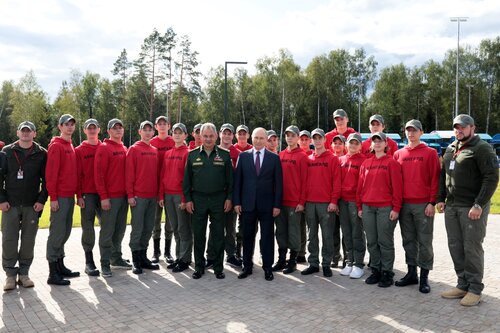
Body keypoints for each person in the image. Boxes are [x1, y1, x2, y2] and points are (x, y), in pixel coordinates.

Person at [437, 114, 499, 307]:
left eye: (463, 127)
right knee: (455, 246)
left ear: (473, 128)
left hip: (472, 208)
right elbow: (443, 175)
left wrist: (479, 204)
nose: (459, 130)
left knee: (471, 247)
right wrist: (440, 198)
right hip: (452, 207)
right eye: (456, 127)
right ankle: (462, 284)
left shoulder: (482, 149)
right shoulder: (451, 148)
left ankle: (475, 288)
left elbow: (491, 178)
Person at [393, 119, 441, 293]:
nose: (411, 134)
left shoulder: (430, 153)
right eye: (408, 130)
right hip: (405, 204)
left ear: (421, 132)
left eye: (414, 130)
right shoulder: (398, 154)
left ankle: (424, 277)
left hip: (423, 205)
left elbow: (435, 179)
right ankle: (411, 273)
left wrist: (431, 202)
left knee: (425, 241)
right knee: (408, 240)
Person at [1, 121, 47, 290]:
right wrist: (2, 199)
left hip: (31, 205)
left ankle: (24, 274)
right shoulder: (6, 152)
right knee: (9, 240)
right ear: (18, 132)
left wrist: (41, 201)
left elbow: (47, 180)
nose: (26, 133)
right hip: (10, 205)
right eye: (23, 130)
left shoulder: (42, 154)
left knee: (28, 240)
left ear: (34, 134)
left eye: (30, 131)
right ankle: (10, 276)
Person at [183, 123, 233, 280]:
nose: (208, 139)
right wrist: (189, 200)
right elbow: (186, 182)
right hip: (198, 200)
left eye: (211, 136)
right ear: (200, 137)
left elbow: (231, 181)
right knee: (198, 234)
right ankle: (199, 267)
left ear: (216, 136)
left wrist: (229, 198)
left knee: (218, 234)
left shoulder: (225, 155)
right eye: (205, 136)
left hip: (219, 199)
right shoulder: (192, 155)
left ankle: (218, 267)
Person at [234, 127, 283, 281]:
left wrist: (277, 205)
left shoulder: (274, 158)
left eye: (262, 138)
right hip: (247, 205)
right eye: (256, 138)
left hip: (267, 206)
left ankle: (268, 268)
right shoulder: (243, 157)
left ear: (266, 140)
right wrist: (237, 202)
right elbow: (238, 182)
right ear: (251, 138)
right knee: (247, 236)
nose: (258, 141)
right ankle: (247, 266)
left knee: (267, 237)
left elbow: (279, 184)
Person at [357, 132, 403, 288]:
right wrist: (359, 206)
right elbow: (360, 188)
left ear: (385, 144)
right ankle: (375, 269)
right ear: (371, 144)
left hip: (385, 207)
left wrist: (396, 208)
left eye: (380, 141)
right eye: (374, 141)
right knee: (372, 241)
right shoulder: (365, 163)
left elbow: (398, 188)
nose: (376, 143)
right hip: (368, 207)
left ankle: (387, 272)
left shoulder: (392, 163)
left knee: (385, 241)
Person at [301, 128, 341, 278]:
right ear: (312, 141)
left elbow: (336, 182)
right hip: (310, 203)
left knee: (327, 236)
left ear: (325, 140)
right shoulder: (308, 159)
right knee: (312, 235)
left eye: (320, 138)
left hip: (326, 204)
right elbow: (304, 182)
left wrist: (333, 201)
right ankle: (313, 263)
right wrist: (304, 201)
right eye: (314, 138)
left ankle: (326, 264)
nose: (317, 141)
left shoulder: (332, 159)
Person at [95, 118, 131, 278]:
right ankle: (104, 263)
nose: (118, 130)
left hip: (123, 197)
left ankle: (116, 258)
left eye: (120, 127)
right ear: (108, 131)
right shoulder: (104, 148)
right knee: (107, 231)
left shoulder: (124, 148)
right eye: (114, 128)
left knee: (120, 230)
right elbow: (99, 174)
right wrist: (104, 197)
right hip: (110, 197)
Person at [45, 114, 79, 286]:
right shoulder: (56, 146)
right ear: (60, 127)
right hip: (60, 197)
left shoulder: (70, 145)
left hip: (69, 196)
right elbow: (51, 174)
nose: (70, 127)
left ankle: (60, 265)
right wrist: (53, 198)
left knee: (65, 232)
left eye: (72, 124)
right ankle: (52, 273)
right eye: (66, 124)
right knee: (57, 233)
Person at [272, 125, 307, 274]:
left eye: (293, 135)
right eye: (288, 135)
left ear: (298, 137)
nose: (290, 138)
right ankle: (281, 259)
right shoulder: (281, 155)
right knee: (280, 232)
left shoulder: (302, 156)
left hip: (294, 203)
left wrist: (301, 202)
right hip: (281, 201)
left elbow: (305, 181)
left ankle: (292, 261)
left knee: (293, 232)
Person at [206, 123, 242, 268]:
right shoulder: (213, 151)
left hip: (231, 195)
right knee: (215, 226)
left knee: (230, 227)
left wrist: (235, 198)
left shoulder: (238, 154)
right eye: (224, 133)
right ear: (219, 134)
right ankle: (211, 256)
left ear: (233, 136)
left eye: (229, 133)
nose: (227, 136)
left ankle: (231, 254)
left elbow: (239, 178)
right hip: (215, 196)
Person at [127, 121, 160, 274]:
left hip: (152, 197)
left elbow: (158, 175)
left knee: (148, 228)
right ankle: (135, 260)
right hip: (138, 197)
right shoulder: (134, 149)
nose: (147, 133)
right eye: (144, 130)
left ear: (153, 132)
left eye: (150, 130)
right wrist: (130, 195)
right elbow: (129, 174)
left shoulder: (154, 150)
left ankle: (143, 257)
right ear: (139, 132)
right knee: (138, 228)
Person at [159, 123, 192, 272]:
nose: (177, 135)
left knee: (183, 229)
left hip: (180, 196)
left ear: (185, 135)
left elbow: (188, 179)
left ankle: (185, 259)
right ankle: (179, 257)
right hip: (168, 196)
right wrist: (161, 195)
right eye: (175, 132)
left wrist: (185, 199)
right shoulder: (168, 153)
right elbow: (163, 176)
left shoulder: (188, 153)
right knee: (175, 228)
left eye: (180, 133)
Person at [75, 119, 102, 277]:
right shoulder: (79, 150)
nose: (92, 130)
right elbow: (77, 174)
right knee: (88, 227)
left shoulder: (104, 147)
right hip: (88, 193)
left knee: (107, 226)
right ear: (85, 130)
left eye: (94, 127)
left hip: (104, 193)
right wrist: (79, 195)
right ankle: (89, 261)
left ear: (99, 129)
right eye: (89, 128)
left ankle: (109, 257)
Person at [338, 133, 367, 279]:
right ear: (346, 144)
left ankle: (359, 264)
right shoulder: (341, 160)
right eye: (351, 143)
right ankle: (349, 261)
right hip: (343, 201)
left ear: (360, 146)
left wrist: (360, 204)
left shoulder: (364, 160)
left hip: (355, 202)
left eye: (356, 143)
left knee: (357, 233)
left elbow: (364, 185)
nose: (353, 146)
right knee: (347, 233)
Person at [150, 116, 175, 264]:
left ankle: (167, 252)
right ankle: (156, 252)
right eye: (160, 124)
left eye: (165, 124)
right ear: (156, 127)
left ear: (169, 126)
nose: (162, 126)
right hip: (154, 187)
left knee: (170, 222)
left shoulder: (174, 141)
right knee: (155, 221)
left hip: (169, 186)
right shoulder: (152, 142)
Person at [330, 134, 347, 267]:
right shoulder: (330, 159)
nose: (337, 146)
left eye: (340, 143)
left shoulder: (346, 159)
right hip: (332, 200)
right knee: (333, 230)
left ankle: (348, 256)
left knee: (346, 230)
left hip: (345, 200)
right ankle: (335, 255)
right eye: (335, 143)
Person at [297, 129, 312, 263]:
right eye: (301, 139)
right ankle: (301, 252)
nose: (303, 141)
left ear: (310, 141)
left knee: (311, 228)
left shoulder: (312, 155)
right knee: (300, 225)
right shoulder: (297, 155)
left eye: (306, 139)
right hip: (299, 196)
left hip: (311, 196)